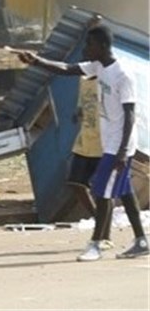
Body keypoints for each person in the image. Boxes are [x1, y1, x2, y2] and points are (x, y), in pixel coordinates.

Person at [14, 24, 148, 261]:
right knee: (125, 194)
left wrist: (121, 152)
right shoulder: (98, 67)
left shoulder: (123, 75)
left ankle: (96, 244)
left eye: (90, 45)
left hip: (118, 145)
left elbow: (129, 115)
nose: (86, 49)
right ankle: (142, 240)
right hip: (109, 142)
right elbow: (67, 68)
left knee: (103, 193)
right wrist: (36, 61)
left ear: (103, 47)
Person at [67, 77, 113, 249]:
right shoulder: (83, 80)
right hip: (84, 141)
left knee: (104, 191)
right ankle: (98, 218)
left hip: (105, 143)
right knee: (75, 182)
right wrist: (77, 113)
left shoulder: (109, 80)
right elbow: (82, 106)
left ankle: (105, 235)